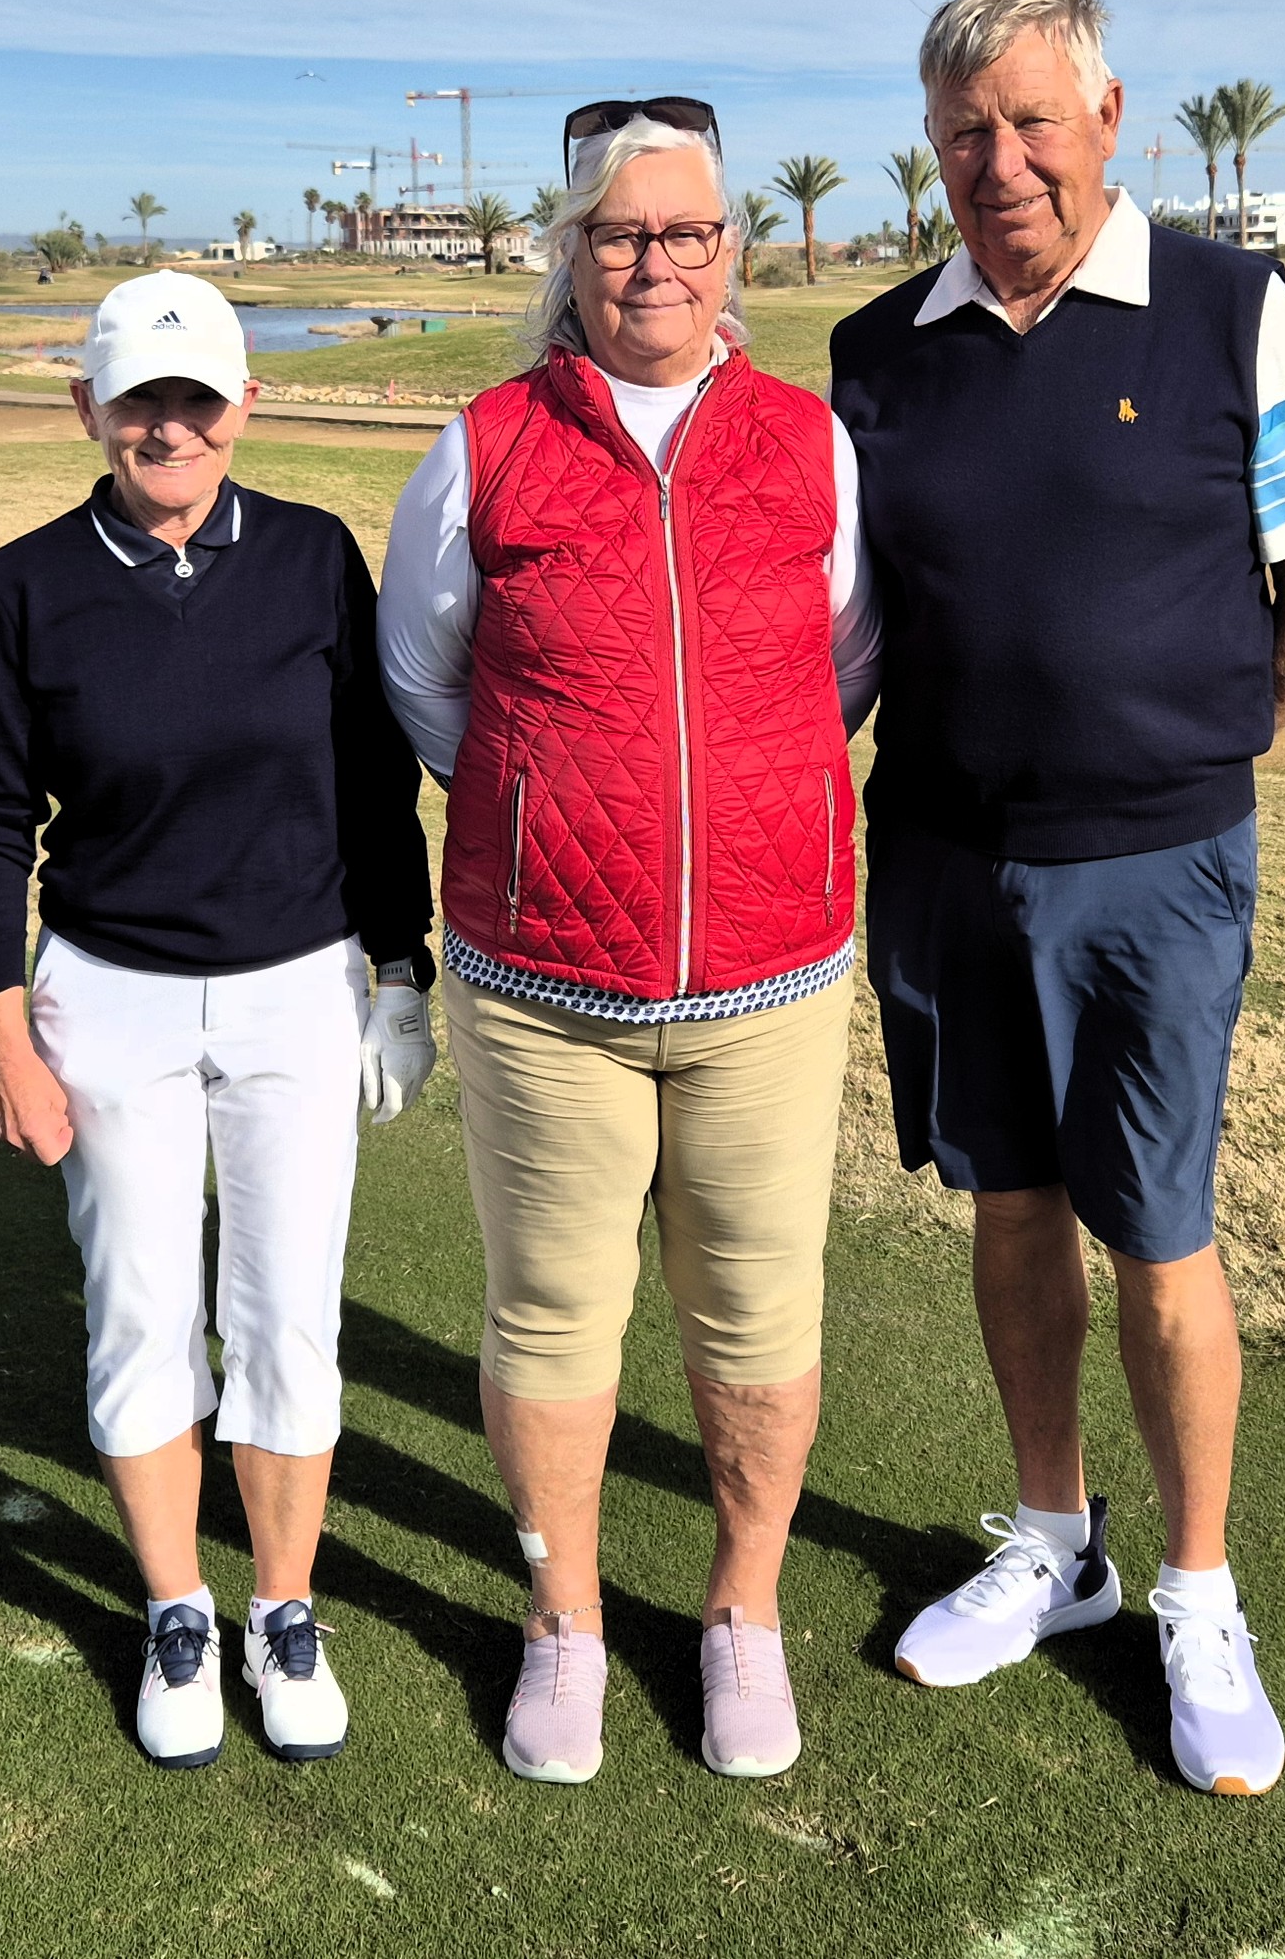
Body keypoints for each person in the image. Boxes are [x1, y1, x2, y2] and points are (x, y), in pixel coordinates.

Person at [829, 0, 1285, 1798]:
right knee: (1008, 1206)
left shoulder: (1231, 307)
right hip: (943, 857)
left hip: (1155, 866)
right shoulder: (877, 352)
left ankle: (1196, 1593)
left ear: (1107, 117)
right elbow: (858, 633)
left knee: (1158, 1229)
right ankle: (1055, 1543)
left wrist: (1191, 761)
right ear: (930, 146)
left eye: (1031, 121)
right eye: (961, 132)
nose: (999, 164)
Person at [378, 100, 881, 1786]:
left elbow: (843, 662)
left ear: (730, 248)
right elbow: (422, 675)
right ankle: (565, 1619)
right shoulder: (487, 443)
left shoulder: (806, 442)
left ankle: (743, 1610)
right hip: (545, 989)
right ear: (572, 251)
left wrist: (746, 795)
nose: (652, 260)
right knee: (550, 1314)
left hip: (768, 976)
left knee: (755, 1313)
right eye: (618, 232)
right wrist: (542, 802)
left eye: (683, 230)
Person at [0, 270, 436, 1771]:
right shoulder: (26, 584)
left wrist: (399, 969)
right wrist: (3, 1033)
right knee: (142, 1308)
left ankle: (282, 1607)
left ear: (245, 406)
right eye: (139, 401)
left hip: (297, 987)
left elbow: (371, 778)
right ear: (87, 408)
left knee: (287, 1310)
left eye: (197, 401)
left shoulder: (311, 556)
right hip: (109, 993)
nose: (170, 428)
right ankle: (177, 1608)